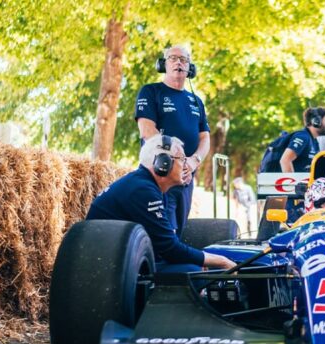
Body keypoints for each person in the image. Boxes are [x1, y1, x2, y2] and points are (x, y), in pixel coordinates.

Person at [86, 134, 235, 273]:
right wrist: (220, 261)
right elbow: (170, 249)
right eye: (182, 159)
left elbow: (162, 247)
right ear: (163, 163)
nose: (186, 165)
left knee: (192, 266)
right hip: (107, 270)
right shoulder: (143, 190)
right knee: (193, 272)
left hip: (118, 260)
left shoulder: (147, 185)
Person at [135, 45, 210, 236]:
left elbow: (205, 138)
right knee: (160, 230)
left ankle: (176, 265)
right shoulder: (150, 92)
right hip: (160, 173)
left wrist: (194, 161)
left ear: (190, 68)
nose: (178, 62)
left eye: (184, 59)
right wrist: (176, 159)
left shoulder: (196, 101)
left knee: (180, 230)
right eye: (173, 58)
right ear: (163, 64)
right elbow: (146, 130)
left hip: (187, 175)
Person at [279, 107, 325, 173]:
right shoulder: (303, 137)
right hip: (284, 182)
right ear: (316, 122)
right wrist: (291, 182)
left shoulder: (314, 142)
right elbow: (285, 160)